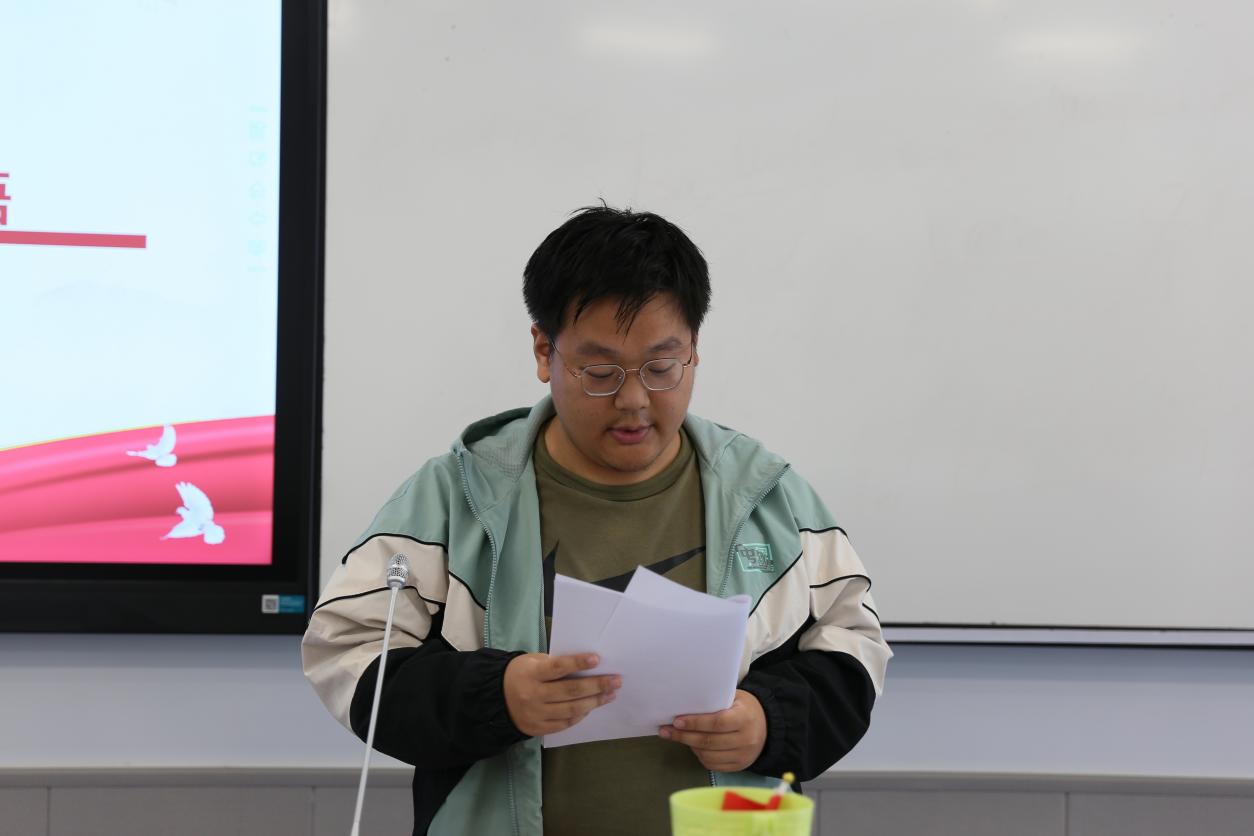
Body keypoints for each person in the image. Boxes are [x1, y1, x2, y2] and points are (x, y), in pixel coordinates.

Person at [302, 205, 891, 836]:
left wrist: (770, 721)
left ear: (694, 350)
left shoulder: (767, 496)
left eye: (661, 368)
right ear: (543, 350)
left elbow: (852, 644)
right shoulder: (455, 497)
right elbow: (348, 650)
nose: (634, 400)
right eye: (601, 372)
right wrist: (495, 696)